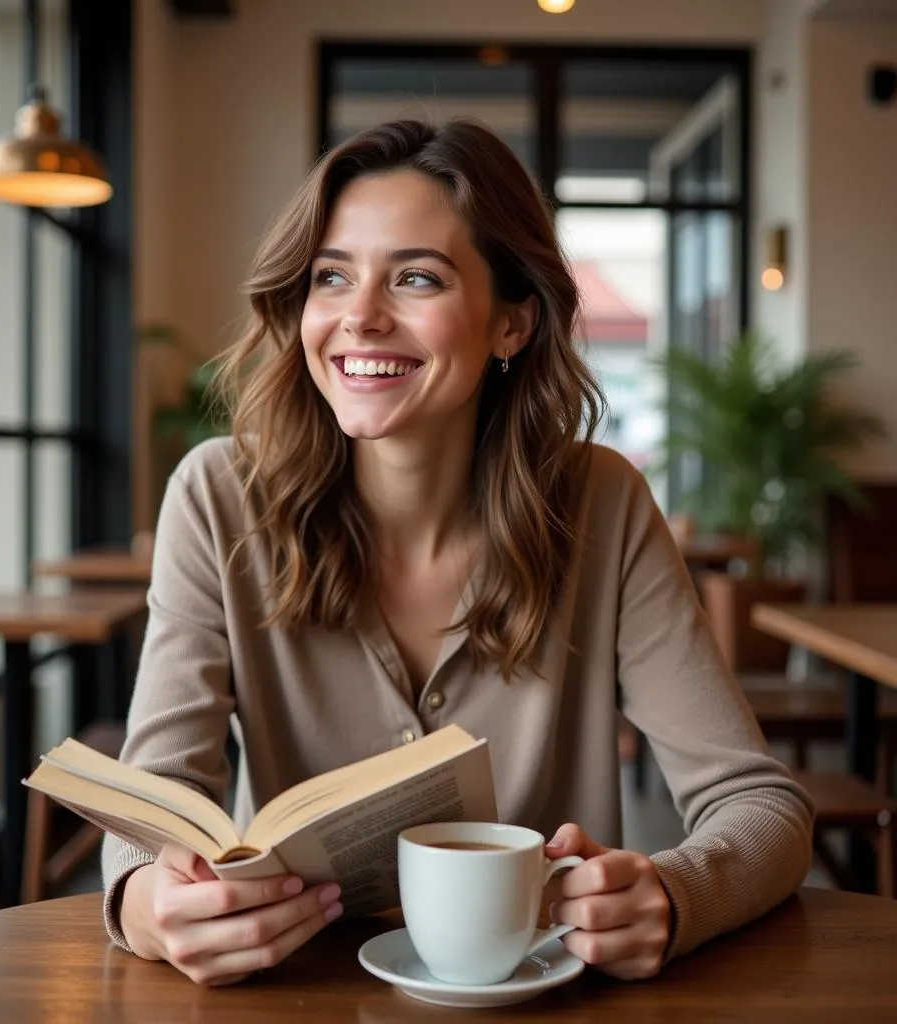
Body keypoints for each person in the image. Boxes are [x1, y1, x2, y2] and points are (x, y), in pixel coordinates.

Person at [102, 119, 813, 988]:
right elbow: (147, 816)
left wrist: (673, 891)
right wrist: (150, 906)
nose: (360, 316)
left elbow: (763, 808)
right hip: (300, 998)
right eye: (331, 276)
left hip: (544, 1005)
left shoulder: (602, 505)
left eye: (415, 277)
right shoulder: (217, 498)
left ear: (511, 323)